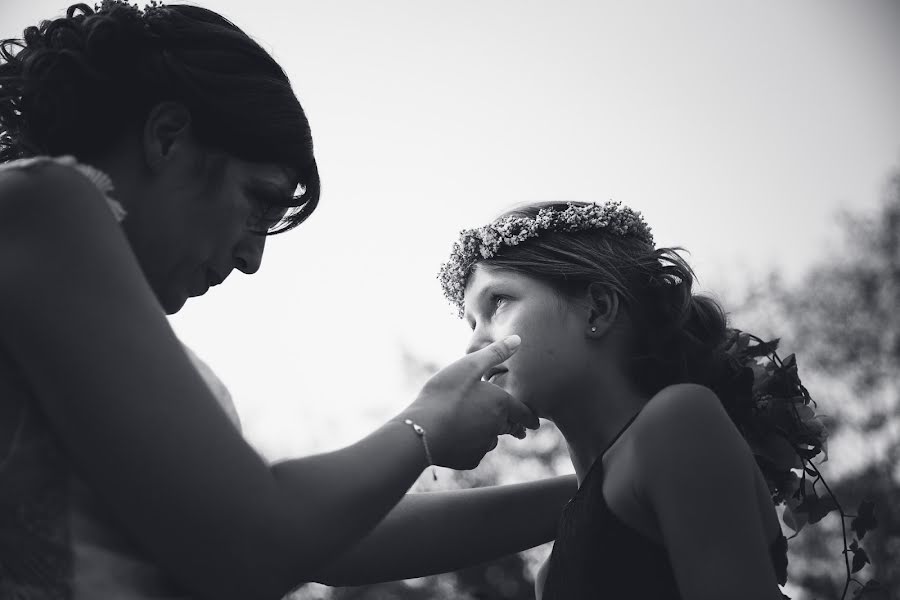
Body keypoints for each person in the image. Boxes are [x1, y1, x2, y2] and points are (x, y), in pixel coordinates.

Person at [0, 3, 577, 599]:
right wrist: (425, 424)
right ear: (167, 136)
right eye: (257, 202)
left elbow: (336, 543)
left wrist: (596, 491)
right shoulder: (43, 204)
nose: (251, 260)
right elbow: (255, 540)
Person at [438, 201, 809, 600]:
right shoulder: (548, 573)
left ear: (598, 307)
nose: (473, 345)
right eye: (471, 323)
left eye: (498, 301)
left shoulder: (679, 422)